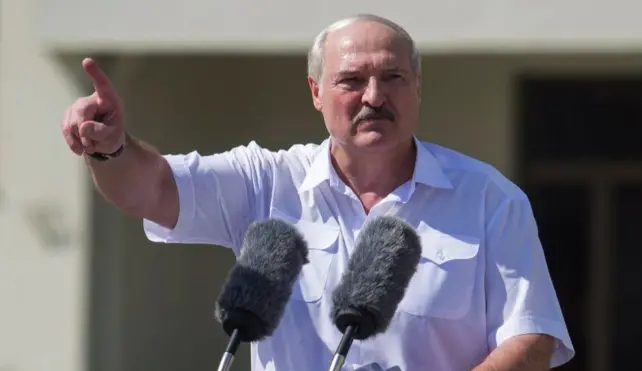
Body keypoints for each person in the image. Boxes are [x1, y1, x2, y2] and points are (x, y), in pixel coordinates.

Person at [61, 13, 574, 371]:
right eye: (352, 80)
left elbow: (530, 338)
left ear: (418, 87)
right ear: (316, 92)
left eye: (392, 77)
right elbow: (147, 189)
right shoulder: (267, 182)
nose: (374, 96)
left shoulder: (490, 198)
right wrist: (109, 148)